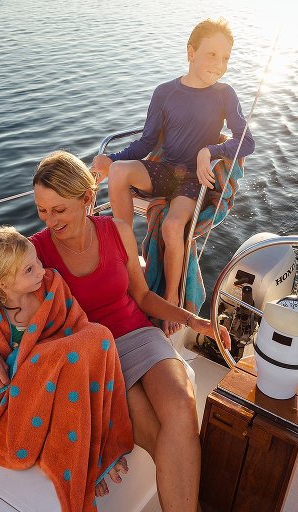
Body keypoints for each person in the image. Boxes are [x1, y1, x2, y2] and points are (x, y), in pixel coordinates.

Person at [0, 151, 231, 512]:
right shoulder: (32, 253)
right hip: (95, 361)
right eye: (42, 210)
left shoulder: (117, 231)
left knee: (182, 406)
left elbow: (142, 296)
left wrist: (193, 321)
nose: (49, 220)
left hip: (139, 334)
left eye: (59, 210)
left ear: (87, 199)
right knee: (158, 437)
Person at [90, 17, 255, 334]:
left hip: (194, 179)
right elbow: (146, 143)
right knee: (119, 171)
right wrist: (111, 159)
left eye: (225, 58)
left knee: (172, 225)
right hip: (166, 170)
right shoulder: (165, 92)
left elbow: (246, 141)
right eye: (211, 54)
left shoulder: (225, 94)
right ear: (191, 52)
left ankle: (171, 299)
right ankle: (126, 258)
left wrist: (211, 150)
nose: (218, 64)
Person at [0, 226, 133, 510]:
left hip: (63, 381)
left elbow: (77, 326)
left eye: (37, 261)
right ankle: (78, 460)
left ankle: (96, 446)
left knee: (98, 336)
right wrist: (43, 360)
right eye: (29, 269)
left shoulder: (51, 287)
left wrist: (52, 358)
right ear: (0, 283)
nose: (41, 270)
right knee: (70, 354)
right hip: (22, 396)